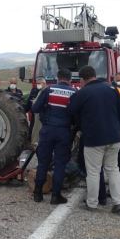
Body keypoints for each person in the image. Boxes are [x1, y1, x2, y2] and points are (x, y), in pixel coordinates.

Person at [69, 66, 120, 214]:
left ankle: (92, 203)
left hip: (94, 138)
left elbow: (71, 111)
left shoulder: (83, 93)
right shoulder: (112, 90)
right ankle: (118, 202)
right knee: (113, 169)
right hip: (114, 137)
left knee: (93, 171)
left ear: (82, 79)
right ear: (95, 75)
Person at [32, 69, 75, 204]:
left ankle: (37, 194)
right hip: (64, 132)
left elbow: (35, 108)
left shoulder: (48, 90)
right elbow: (77, 113)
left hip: (47, 130)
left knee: (43, 163)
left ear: (58, 78)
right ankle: (56, 196)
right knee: (60, 164)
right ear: (70, 79)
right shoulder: (74, 92)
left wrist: (46, 115)